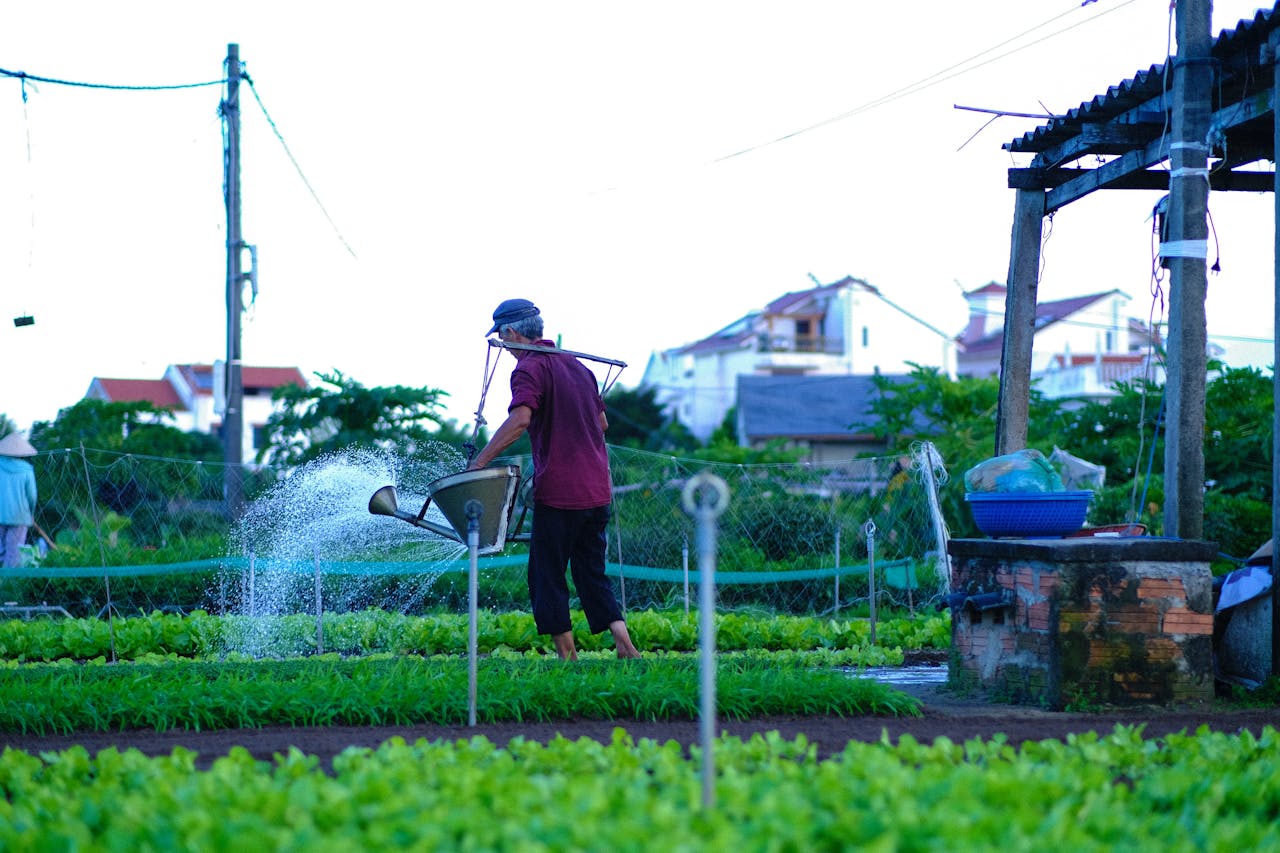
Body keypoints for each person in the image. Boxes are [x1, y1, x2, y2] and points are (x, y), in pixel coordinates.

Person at [468, 298, 641, 661]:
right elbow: (602, 424)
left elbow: (520, 420)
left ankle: (568, 658)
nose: (503, 345)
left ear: (511, 333)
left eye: (502, 336)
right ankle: (625, 647)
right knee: (591, 572)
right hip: (597, 490)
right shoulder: (578, 366)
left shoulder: (529, 368)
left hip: (561, 493)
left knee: (546, 574)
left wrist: (479, 463)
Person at [0, 432, 38, 569]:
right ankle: (8, 581)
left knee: (1, 550)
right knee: (14, 553)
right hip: (20, 515)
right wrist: (31, 513)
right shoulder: (27, 470)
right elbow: (32, 496)